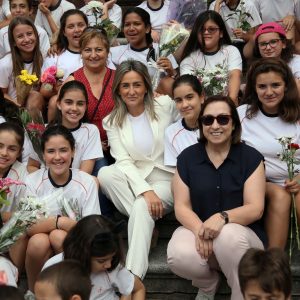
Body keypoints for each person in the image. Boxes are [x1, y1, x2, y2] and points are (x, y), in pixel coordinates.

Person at [167, 95, 266, 300]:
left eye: (223, 119)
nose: (215, 125)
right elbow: (181, 206)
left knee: (228, 235)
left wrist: (222, 217)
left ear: (233, 124)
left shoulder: (251, 158)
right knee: (177, 255)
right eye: (208, 120)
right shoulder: (187, 158)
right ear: (201, 124)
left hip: (243, 241)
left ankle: (239, 292)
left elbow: (255, 208)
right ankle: (208, 283)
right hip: (202, 237)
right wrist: (200, 230)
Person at [98, 60, 178, 279]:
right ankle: (147, 226)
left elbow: (188, 126)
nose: (131, 91)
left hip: (168, 178)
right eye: (125, 86)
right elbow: (123, 161)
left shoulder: (166, 106)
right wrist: (145, 189)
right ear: (118, 90)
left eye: (137, 85)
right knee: (105, 173)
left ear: (146, 86)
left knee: (142, 207)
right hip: (138, 180)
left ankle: (133, 278)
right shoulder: (111, 121)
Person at [24, 125, 100, 291]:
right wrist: (60, 222)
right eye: (51, 151)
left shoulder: (87, 182)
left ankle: (71, 289)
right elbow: (28, 226)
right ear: (43, 155)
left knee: (58, 236)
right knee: (38, 241)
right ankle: (33, 291)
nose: (57, 157)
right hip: (41, 246)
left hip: (74, 245)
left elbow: (91, 229)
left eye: (63, 150)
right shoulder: (32, 181)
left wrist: (59, 227)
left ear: (73, 152)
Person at [238, 58, 300, 249]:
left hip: (296, 181)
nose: (269, 92)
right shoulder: (242, 114)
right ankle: (275, 264)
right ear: (254, 89)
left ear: (286, 86)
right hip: (258, 183)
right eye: (262, 86)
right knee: (280, 196)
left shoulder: (298, 115)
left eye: (276, 85)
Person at [43, 215, 146, 299]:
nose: (109, 264)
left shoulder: (112, 269)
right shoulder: (53, 270)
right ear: (82, 254)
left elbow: (138, 289)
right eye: (101, 261)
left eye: (112, 257)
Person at [28, 80, 103, 175]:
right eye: (69, 102)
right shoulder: (42, 130)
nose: (74, 108)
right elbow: (32, 166)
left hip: (77, 185)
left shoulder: (91, 131)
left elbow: (85, 173)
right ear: (59, 104)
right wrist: (46, 182)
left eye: (80, 103)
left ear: (86, 106)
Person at [66, 28, 115, 170]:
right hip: (86, 147)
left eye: (99, 49)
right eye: (88, 50)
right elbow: (66, 120)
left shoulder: (118, 78)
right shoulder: (73, 81)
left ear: (107, 52)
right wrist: (92, 142)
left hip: (119, 145)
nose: (93, 55)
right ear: (81, 53)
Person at [110, 7, 178, 94]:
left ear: (147, 28)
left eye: (137, 24)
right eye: (127, 25)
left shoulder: (163, 51)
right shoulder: (114, 52)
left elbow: (177, 81)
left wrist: (171, 71)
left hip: (158, 101)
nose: (131, 28)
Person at [180, 10, 242, 105]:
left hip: (228, 106)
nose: (206, 32)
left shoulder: (231, 51)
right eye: (202, 29)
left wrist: (229, 107)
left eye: (211, 29)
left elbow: (235, 76)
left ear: (221, 33)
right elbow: (189, 90)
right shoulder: (189, 59)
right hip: (201, 109)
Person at [0, 122, 27, 288]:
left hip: (7, 238)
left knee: (20, 229)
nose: (4, 153)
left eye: (11, 148)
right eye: (0, 146)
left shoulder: (22, 173)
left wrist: (3, 216)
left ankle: (14, 277)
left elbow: (24, 214)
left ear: (20, 152)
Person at [0, 16, 44, 110]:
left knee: (35, 95)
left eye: (29, 34)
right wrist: (18, 106)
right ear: (14, 42)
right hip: (11, 109)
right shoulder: (5, 64)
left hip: (34, 106)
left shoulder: (41, 59)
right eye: (20, 36)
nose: (27, 39)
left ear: (36, 35)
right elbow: (2, 93)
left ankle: (33, 124)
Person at [244, 22, 300, 92]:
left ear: (284, 44)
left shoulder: (296, 61)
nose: (268, 47)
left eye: (273, 42)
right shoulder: (254, 67)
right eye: (263, 44)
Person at [164, 74, 204, 167]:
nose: (184, 105)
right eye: (178, 100)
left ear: (201, 97)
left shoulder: (216, 124)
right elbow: (176, 170)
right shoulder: (171, 133)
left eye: (189, 97)